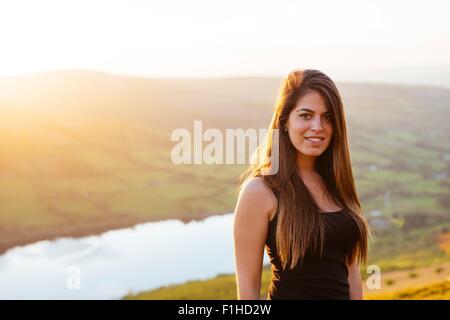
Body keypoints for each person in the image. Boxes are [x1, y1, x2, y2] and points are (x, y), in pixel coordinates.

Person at [233, 69, 370, 300]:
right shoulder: (261, 191)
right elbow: (248, 289)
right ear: (285, 121)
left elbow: (351, 270)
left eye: (327, 117)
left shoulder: (337, 183)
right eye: (306, 115)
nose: (318, 126)